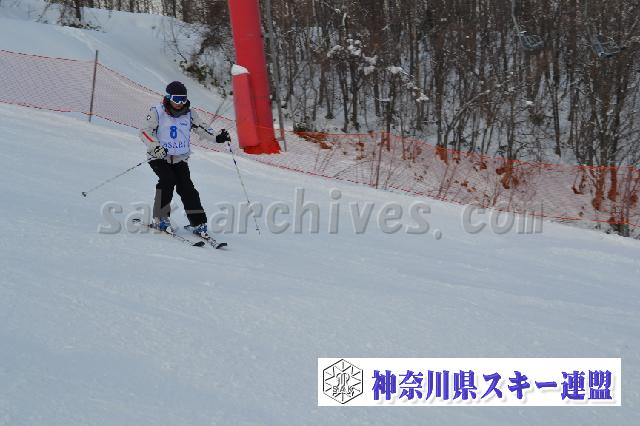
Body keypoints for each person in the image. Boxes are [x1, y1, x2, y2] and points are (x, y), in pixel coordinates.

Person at [139, 80, 230, 238]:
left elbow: (203, 129)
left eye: (183, 99)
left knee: (187, 187)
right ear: (169, 97)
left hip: (179, 158)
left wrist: (217, 137)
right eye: (176, 99)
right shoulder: (157, 112)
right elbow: (145, 131)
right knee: (167, 180)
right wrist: (155, 146)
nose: (180, 103)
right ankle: (161, 218)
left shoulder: (190, 114)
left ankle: (198, 223)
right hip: (159, 156)